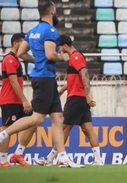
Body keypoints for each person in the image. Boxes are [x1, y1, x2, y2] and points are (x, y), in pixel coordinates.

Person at [0, 0, 83, 168]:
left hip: (45, 78)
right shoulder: (50, 31)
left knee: (58, 118)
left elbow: (22, 53)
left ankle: (63, 158)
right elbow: (51, 54)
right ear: (52, 11)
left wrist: (37, 60)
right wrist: (63, 58)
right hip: (45, 78)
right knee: (37, 118)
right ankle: (3, 135)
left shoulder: (32, 31)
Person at [33, 35, 103, 166]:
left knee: (63, 128)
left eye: (59, 47)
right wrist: (63, 89)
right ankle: (99, 160)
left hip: (76, 98)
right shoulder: (76, 57)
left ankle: (49, 159)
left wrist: (88, 94)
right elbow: (75, 79)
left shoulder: (75, 57)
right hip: (79, 97)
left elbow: (84, 75)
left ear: (65, 45)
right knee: (88, 129)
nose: (58, 50)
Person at [0, 34, 36, 167]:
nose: (25, 46)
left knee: (34, 122)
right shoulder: (9, 59)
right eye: (22, 43)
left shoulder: (16, 59)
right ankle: (3, 160)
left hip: (17, 101)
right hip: (10, 100)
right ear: (15, 43)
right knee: (6, 129)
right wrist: (25, 100)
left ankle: (18, 154)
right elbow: (13, 82)